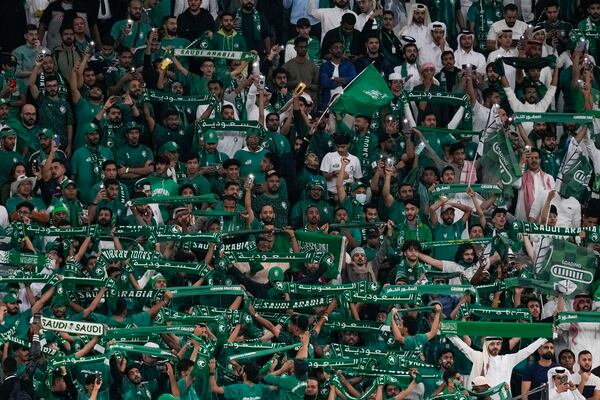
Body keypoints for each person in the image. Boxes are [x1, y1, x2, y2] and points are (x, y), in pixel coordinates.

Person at [449, 336, 548, 389]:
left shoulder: (508, 359)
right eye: (492, 344)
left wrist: (545, 337)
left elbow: (528, 351)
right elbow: (461, 346)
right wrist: (447, 331)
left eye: (498, 344)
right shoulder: (478, 356)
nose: (496, 346)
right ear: (486, 345)